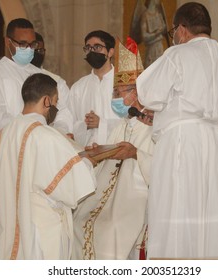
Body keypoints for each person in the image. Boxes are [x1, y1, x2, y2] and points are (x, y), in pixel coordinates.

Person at [136, 2, 218, 259]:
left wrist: (153, 107)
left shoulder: (178, 54)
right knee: (209, 216)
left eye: (173, 33)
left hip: (182, 143)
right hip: (215, 144)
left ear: (181, 29)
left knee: (177, 211)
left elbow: (147, 92)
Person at [0, 18, 72, 259]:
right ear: (8, 42)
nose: (28, 49)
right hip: (1, 157)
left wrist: (54, 135)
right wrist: (44, 135)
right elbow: (1, 123)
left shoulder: (43, 77)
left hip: (37, 162)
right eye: (22, 43)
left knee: (31, 230)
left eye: (32, 44)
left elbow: (65, 113)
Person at [0, 73, 95, 260]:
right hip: (38, 231)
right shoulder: (44, 135)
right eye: (56, 101)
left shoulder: (0, 137)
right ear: (46, 101)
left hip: (7, 225)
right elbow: (75, 184)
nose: (56, 107)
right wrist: (88, 162)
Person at [72, 37, 154, 260]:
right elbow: (109, 157)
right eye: (114, 93)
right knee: (78, 221)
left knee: (109, 230)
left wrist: (135, 153)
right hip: (107, 196)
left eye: (119, 93)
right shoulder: (121, 125)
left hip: (134, 196)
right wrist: (101, 152)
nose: (115, 98)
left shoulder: (154, 126)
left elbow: (161, 166)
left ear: (135, 93)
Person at [69, 30, 121, 146]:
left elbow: (133, 123)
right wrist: (85, 125)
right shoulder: (78, 87)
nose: (92, 51)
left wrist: (101, 124)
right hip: (87, 154)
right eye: (88, 48)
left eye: (97, 47)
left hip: (117, 152)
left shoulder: (124, 83)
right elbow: (70, 123)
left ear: (110, 52)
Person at [31, 32, 74, 138]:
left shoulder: (57, 81)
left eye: (41, 50)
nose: (38, 54)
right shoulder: (13, 77)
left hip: (49, 138)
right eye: (34, 50)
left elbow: (64, 114)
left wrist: (58, 133)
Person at [140, 0, 167, 68]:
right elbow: (144, 36)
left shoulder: (158, 14)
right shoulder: (145, 15)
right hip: (151, 49)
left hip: (159, 48)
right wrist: (157, 33)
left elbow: (164, 28)